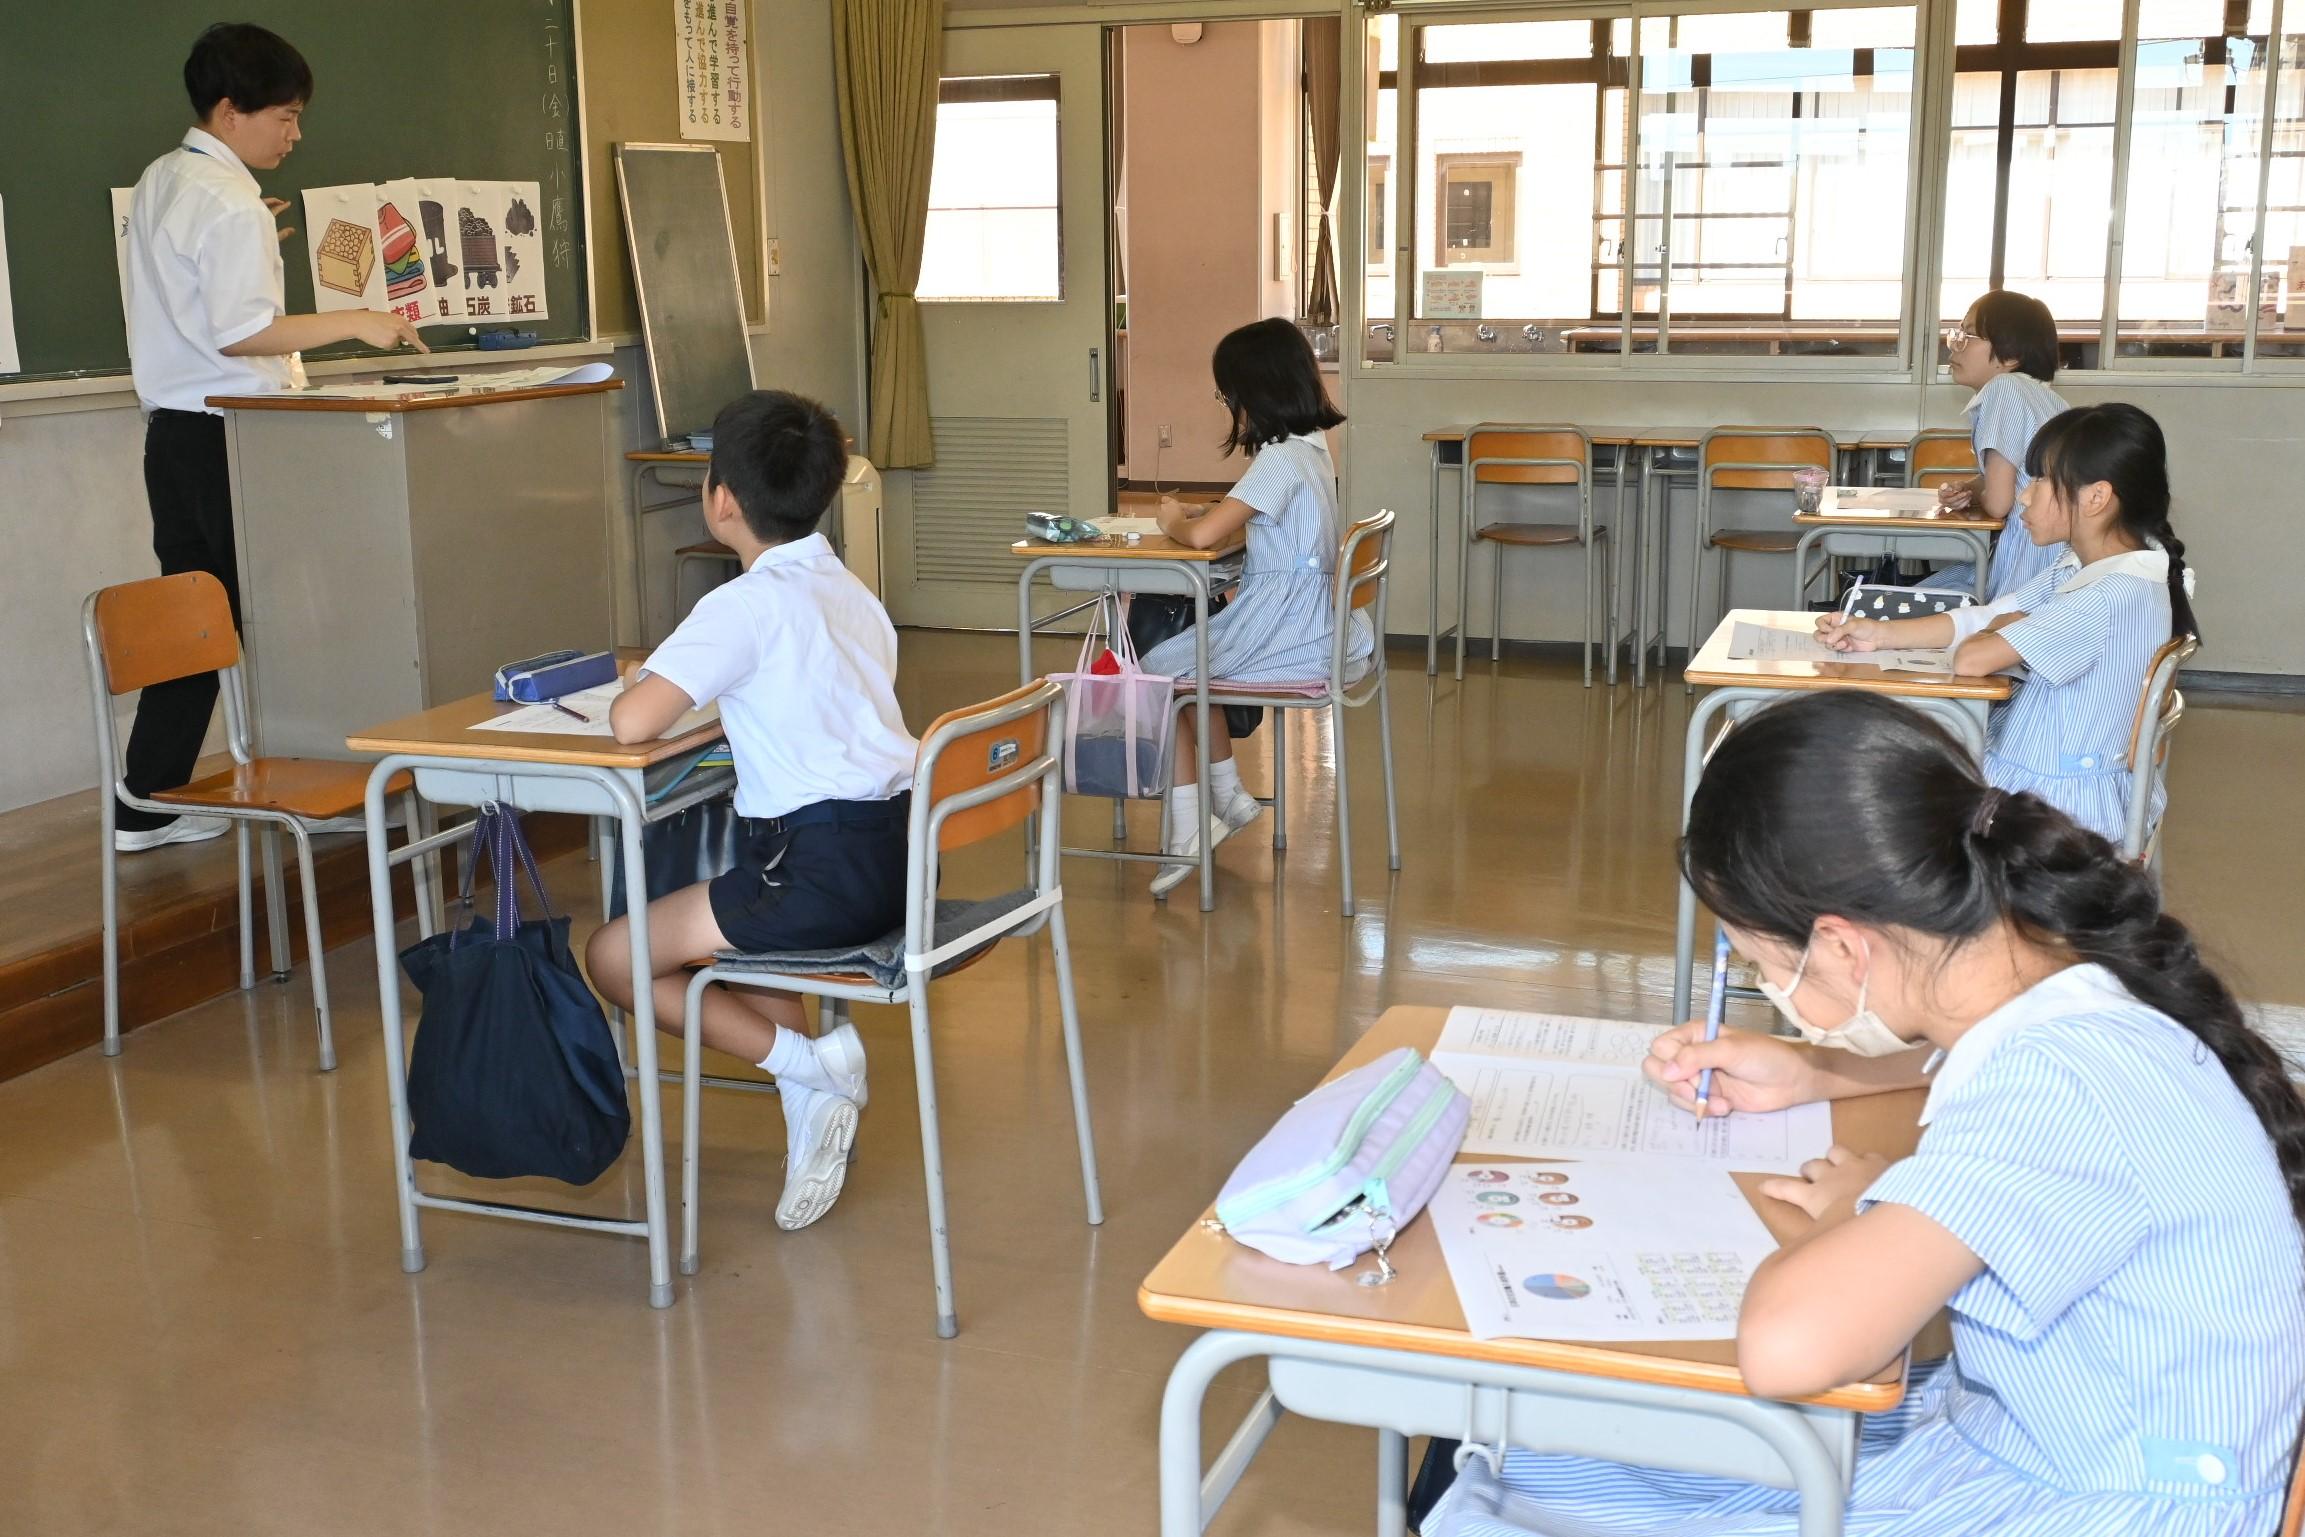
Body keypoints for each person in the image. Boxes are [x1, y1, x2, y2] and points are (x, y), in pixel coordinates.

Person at [1423, 690, 2305, 1537]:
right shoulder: (2063, 983)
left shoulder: (2061, 1082)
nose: (1767, 986)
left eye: (1761, 963)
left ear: (1842, 944)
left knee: (1518, 1475)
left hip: (2097, 1504)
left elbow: (1789, 1347)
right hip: (2056, 1445)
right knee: (1533, 1456)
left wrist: (1852, 1213)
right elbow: (1993, 1091)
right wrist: (1814, 1072)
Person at [585, 390, 915, 1233]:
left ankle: (803, 1067)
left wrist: (645, 683)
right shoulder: (850, 589)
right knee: (745, 914)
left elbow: (632, 722)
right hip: (903, 862)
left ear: (721, 498)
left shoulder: (740, 605)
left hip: (820, 877)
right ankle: (807, 1089)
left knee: (614, 955)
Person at [116, 23, 425, 851]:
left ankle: (143, 802)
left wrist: (254, 240)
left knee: (198, 616)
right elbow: (242, 332)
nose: (295, 135)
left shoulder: (163, 178)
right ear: (230, 111)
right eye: (283, 117)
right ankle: (318, 795)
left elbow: (196, 300)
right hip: (235, 440)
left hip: (174, 436)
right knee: (294, 620)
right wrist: (360, 320)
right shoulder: (229, 201)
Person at [1819, 403, 2193, 843]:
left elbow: (1972, 659)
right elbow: (1989, 615)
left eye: (2041, 480)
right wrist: (1881, 634)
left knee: (1871, 785)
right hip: (2041, 778)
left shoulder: (2107, 597)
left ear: (2096, 497)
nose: (2024, 496)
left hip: (2050, 810)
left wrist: (2005, 626)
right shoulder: (2090, 566)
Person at [1143, 318, 1371, 896]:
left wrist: (1171, 519)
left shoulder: (1277, 459)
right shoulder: (1310, 451)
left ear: (1255, 391)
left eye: (1228, 394)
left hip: (1291, 634)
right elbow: (1250, 520)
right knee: (1189, 662)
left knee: (1158, 673)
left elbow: (1201, 538)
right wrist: (1212, 515)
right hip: (1319, 624)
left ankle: (1192, 829)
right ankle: (1228, 797)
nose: (1230, 406)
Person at [1922, 290, 2068, 598]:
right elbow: (2011, 476)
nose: (1956, 345)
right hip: (2056, 555)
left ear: (2010, 357)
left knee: (1920, 601)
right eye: (1958, 333)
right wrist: (1968, 489)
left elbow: (1999, 502)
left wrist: (1982, 495)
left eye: (1969, 335)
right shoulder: (2046, 397)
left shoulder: (2004, 389)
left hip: (2030, 559)